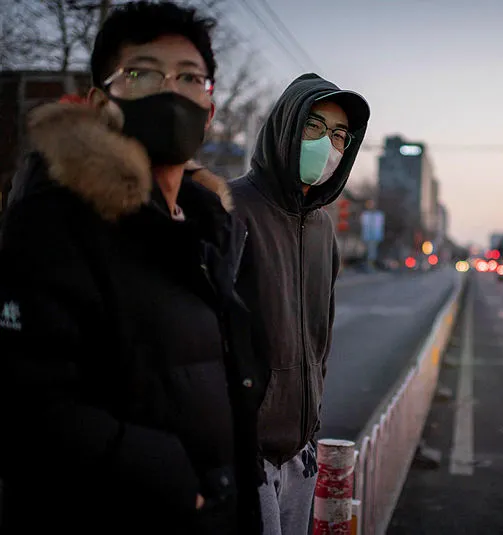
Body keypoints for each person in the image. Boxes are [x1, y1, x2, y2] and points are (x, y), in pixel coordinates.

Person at [0, 2, 263, 533]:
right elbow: (24, 407)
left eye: (189, 77)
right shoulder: (54, 221)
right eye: (142, 74)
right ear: (102, 103)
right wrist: (173, 481)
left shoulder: (207, 228)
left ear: (209, 109)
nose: (171, 91)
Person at [226, 73, 370, 534]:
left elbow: (319, 338)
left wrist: (310, 423)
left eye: (340, 135)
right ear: (286, 126)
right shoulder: (230, 208)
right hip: (241, 452)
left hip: (300, 449)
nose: (327, 144)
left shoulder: (324, 228)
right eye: (314, 126)